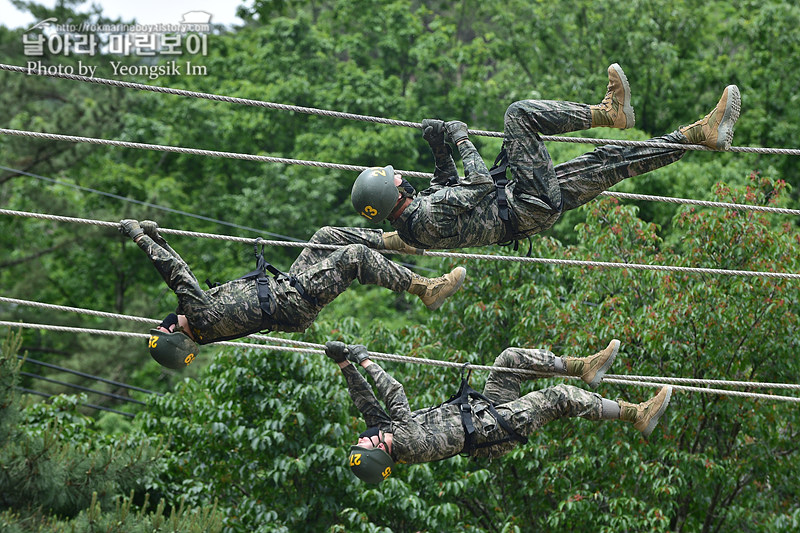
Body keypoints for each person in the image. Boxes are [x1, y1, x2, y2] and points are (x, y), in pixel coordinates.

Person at [351, 63, 741, 250]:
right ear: (391, 195)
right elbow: (478, 185)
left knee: (611, 161)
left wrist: (438, 148)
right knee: (518, 114)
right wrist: (461, 139)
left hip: (529, 208)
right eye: (394, 180)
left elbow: (445, 188)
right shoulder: (426, 218)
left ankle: (697, 135)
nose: (399, 177)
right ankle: (608, 113)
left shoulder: (413, 221)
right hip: (525, 200)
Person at [118, 221, 466, 369]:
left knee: (327, 235)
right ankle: (426, 289)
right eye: (164, 328)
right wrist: (140, 238)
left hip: (288, 287)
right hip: (296, 299)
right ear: (179, 335)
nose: (163, 321)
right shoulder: (200, 317)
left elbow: (178, 270)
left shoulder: (197, 320)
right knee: (353, 258)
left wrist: (155, 236)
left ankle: (400, 241)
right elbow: (177, 276)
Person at [325, 339, 672, 484]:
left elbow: (367, 404)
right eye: (363, 445)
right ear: (379, 453)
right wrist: (367, 361)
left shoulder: (385, 435)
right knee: (558, 397)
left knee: (509, 360)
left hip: (485, 411)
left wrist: (344, 364)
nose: (361, 438)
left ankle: (583, 365)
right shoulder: (405, 443)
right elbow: (394, 394)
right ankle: (636, 414)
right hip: (497, 430)